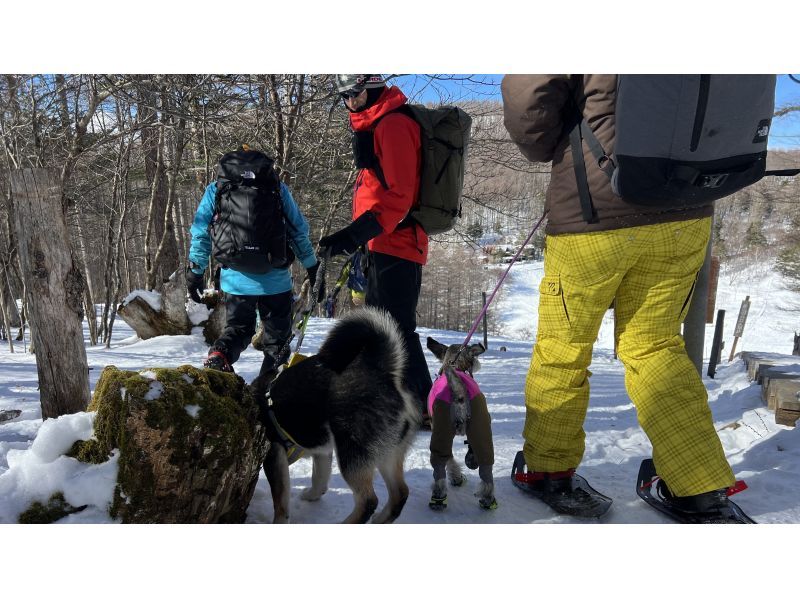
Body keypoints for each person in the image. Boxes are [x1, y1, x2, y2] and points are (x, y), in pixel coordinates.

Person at [501, 75, 739, 518]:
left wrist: (552, 142)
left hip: (595, 204)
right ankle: (699, 486)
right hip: (687, 206)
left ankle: (550, 471)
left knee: (563, 350)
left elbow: (528, 99)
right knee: (656, 347)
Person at [318, 74, 433, 419]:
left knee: (395, 330)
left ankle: (426, 408)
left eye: (355, 93)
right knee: (382, 329)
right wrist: (358, 237)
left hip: (398, 243)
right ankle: (395, 404)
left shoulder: (394, 125)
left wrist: (353, 234)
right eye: (343, 96)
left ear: (372, 86)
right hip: (380, 242)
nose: (350, 102)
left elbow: (400, 197)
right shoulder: (374, 125)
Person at [186, 146, 321, 385]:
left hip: (235, 279)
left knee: (238, 330)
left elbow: (201, 233)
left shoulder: (217, 189)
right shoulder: (276, 188)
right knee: (277, 343)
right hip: (275, 280)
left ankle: (219, 356)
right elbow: (298, 231)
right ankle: (268, 390)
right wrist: (312, 266)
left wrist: (195, 271)